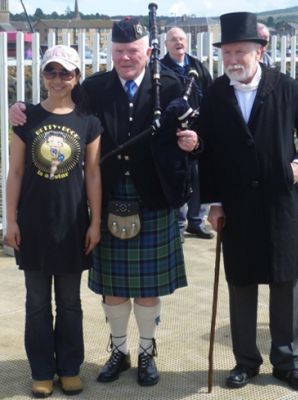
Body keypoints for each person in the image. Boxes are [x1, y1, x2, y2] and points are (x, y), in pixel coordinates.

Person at [10, 18, 199, 388]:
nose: (126, 57)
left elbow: (196, 136)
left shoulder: (174, 86)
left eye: (132, 51)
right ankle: (119, 351)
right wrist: (20, 107)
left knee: (146, 289)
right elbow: (56, 104)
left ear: (147, 52)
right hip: (110, 196)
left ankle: (146, 352)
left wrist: (196, 144)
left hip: (154, 195)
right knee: (113, 288)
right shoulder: (94, 87)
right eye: (118, 52)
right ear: (111, 54)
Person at [198, 12, 298, 392]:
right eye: (228, 52)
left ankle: (286, 361)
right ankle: (246, 361)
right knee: (241, 283)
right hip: (236, 204)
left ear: (260, 51)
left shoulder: (284, 87)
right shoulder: (216, 93)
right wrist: (214, 202)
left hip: (280, 201)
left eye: (241, 51)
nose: (233, 59)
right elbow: (209, 153)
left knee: (285, 281)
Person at [5, 45, 102, 398]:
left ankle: (70, 367)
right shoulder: (25, 118)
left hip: (73, 224)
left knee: (70, 302)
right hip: (32, 225)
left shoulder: (88, 120)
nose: (58, 79)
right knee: (36, 303)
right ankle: (42, 370)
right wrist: (10, 220)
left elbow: (92, 174)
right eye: (51, 72)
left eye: (66, 73)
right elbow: (15, 172)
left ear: (77, 77)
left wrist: (95, 222)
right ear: (43, 75)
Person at [161, 26, 214, 242]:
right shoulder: (160, 68)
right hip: (173, 132)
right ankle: (179, 224)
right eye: (173, 39)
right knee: (179, 176)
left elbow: (210, 96)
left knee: (200, 176)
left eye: (181, 39)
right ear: (166, 44)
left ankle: (197, 221)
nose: (178, 42)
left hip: (198, 131)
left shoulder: (198, 67)